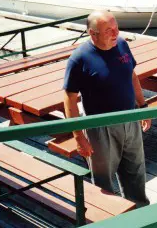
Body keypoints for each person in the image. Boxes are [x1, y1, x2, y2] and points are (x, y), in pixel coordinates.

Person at [63, 10, 151, 207]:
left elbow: (132, 76)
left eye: (116, 28)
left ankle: (141, 214)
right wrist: (78, 137)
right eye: (108, 31)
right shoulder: (79, 59)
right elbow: (69, 98)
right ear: (92, 34)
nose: (115, 33)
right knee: (104, 183)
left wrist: (143, 106)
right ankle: (111, 218)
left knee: (136, 172)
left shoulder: (121, 44)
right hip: (100, 127)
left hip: (130, 119)